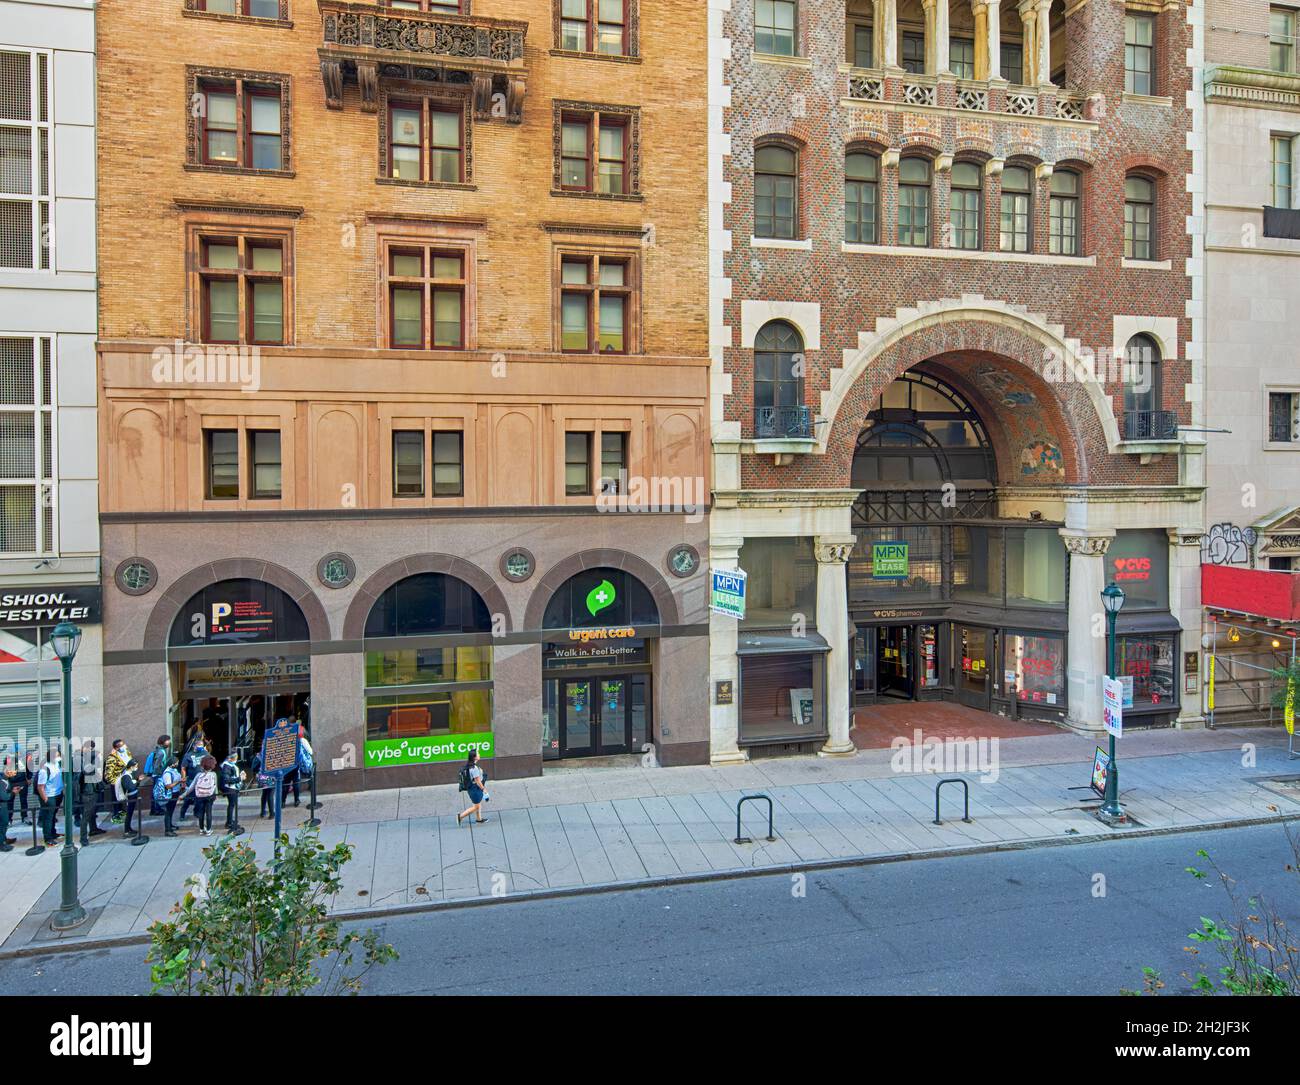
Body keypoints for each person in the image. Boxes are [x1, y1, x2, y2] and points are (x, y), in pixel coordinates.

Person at [75, 740, 106, 844]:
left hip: (92, 789)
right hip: (87, 791)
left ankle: (93, 829)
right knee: (86, 815)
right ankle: (83, 838)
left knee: (92, 812)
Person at [34, 747, 63, 847]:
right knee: (48, 817)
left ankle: (53, 833)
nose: (59, 757)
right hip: (49, 796)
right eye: (57, 756)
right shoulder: (44, 769)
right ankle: (48, 838)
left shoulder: (57, 765)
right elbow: (40, 787)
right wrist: (45, 799)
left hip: (57, 794)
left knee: (53, 816)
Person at [177, 735, 209, 822]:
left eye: (202, 745)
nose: (200, 747)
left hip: (202, 780)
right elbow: (183, 768)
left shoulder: (205, 753)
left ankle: (197, 812)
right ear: (194, 746)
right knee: (188, 799)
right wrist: (183, 781)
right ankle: (182, 814)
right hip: (191, 780)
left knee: (200, 798)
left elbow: (210, 763)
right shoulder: (188, 755)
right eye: (199, 746)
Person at [455, 748, 489, 826]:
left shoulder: (470, 766)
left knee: (478, 804)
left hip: (473, 788)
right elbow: (478, 781)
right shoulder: (474, 768)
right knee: (476, 807)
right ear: (474, 757)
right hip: (475, 789)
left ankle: (479, 819)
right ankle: (460, 817)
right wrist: (484, 790)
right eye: (478, 754)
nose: (479, 754)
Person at [153, 756, 184, 837]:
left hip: (175, 792)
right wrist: (179, 781)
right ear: (172, 763)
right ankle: (167, 830)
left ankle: (170, 825)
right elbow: (168, 786)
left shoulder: (174, 770)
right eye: (176, 762)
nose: (177, 764)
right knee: (168, 812)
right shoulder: (167, 773)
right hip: (171, 794)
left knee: (171, 811)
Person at [218, 749, 245, 835]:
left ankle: (230, 820)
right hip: (231, 788)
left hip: (233, 788)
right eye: (236, 758)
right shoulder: (227, 766)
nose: (236, 759)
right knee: (232, 804)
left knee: (232, 804)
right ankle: (229, 822)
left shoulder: (228, 765)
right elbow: (227, 780)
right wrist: (240, 778)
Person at [103, 739, 130, 823]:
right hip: (116, 783)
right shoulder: (112, 757)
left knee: (122, 798)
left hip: (123, 781)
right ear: (116, 748)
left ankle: (121, 812)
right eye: (121, 745)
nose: (124, 746)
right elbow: (108, 773)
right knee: (116, 799)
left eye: (123, 744)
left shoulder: (124, 754)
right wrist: (114, 782)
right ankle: (115, 816)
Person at [120, 761, 143, 838]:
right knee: (129, 814)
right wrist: (137, 781)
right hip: (130, 797)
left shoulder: (130, 774)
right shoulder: (126, 776)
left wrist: (137, 780)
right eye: (136, 766)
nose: (136, 768)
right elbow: (130, 787)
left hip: (133, 795)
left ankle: (129, 828)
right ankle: (126, 831)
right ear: (131, 766)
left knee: (130, 813)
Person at [0, 762, 15, 850]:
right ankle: (1, 844)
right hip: (2, 806)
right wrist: (13, 793)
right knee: (3, 823)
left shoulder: (6, 780)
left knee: (4, 824)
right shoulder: (2, 781)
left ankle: (3, 839)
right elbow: (4, 797)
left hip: (3, 806)